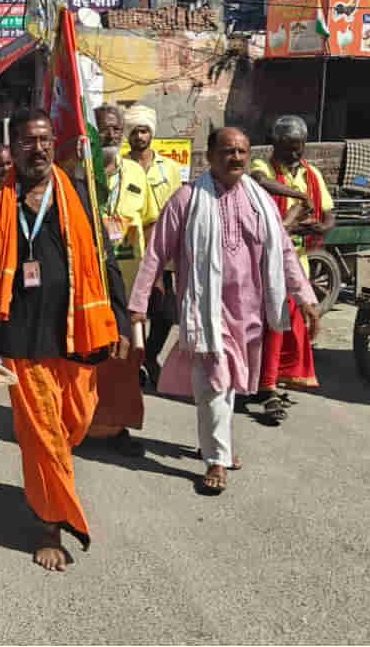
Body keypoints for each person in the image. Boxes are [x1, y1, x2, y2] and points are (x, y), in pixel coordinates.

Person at [0, 108, 133, 572]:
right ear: (12, 147)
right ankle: (50, 524)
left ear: (53, 143)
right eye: (26, 141)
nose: (36, 149)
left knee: (74, 421)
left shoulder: (77, 193)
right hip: (20, 338)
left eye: (43, 140)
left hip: (76, 331)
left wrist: (119, 316)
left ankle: (49, 485)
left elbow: (104, 260)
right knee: (41, 436)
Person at [129, 127, 319, 494]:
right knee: (215, 381)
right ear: (210, 157)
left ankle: (216, 442)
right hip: (206, 310)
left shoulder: (260, 200)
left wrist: (306, 297)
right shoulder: (186, 200)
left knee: (230, 385)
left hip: (249, 314)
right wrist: (138, 303)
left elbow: (282, 252)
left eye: (242, 152)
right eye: (228, 151)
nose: (236, 158)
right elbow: (156, 252)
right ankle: (217, 459)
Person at [247, 116, 333, 423]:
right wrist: (296, 197)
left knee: (284, 329)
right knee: (265, 325)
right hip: (262, 262)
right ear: (276, 144)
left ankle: (269, 382)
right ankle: (262, 383)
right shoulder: (263, 166)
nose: (296, 155)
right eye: (290, 148)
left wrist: (320, 226)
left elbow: (328, 214)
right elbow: (258, 182)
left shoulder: (313, 174)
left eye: (300, 149)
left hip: (299, 263)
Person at [88, 104, 158, 456]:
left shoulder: (134, 172)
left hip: (129, 285)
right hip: (91, 286)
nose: (112, 135)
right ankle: (84, 424)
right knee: (90, 358)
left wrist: (153, 274)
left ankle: (118, 429)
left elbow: (148, 222)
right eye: (104, 129)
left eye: (116, 129)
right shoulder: (80, 174)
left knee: (127, 361)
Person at [119, 105, 184, 387]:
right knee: (133, 311)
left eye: (144, 130)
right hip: (128, 250)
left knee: (165, 312)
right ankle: (135, 362)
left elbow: (178, 209)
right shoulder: (120, 166)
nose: (140, 136)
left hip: (164, 252)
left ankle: (150, 355)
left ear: (151, 133)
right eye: (134, 131)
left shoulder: (169, 167)